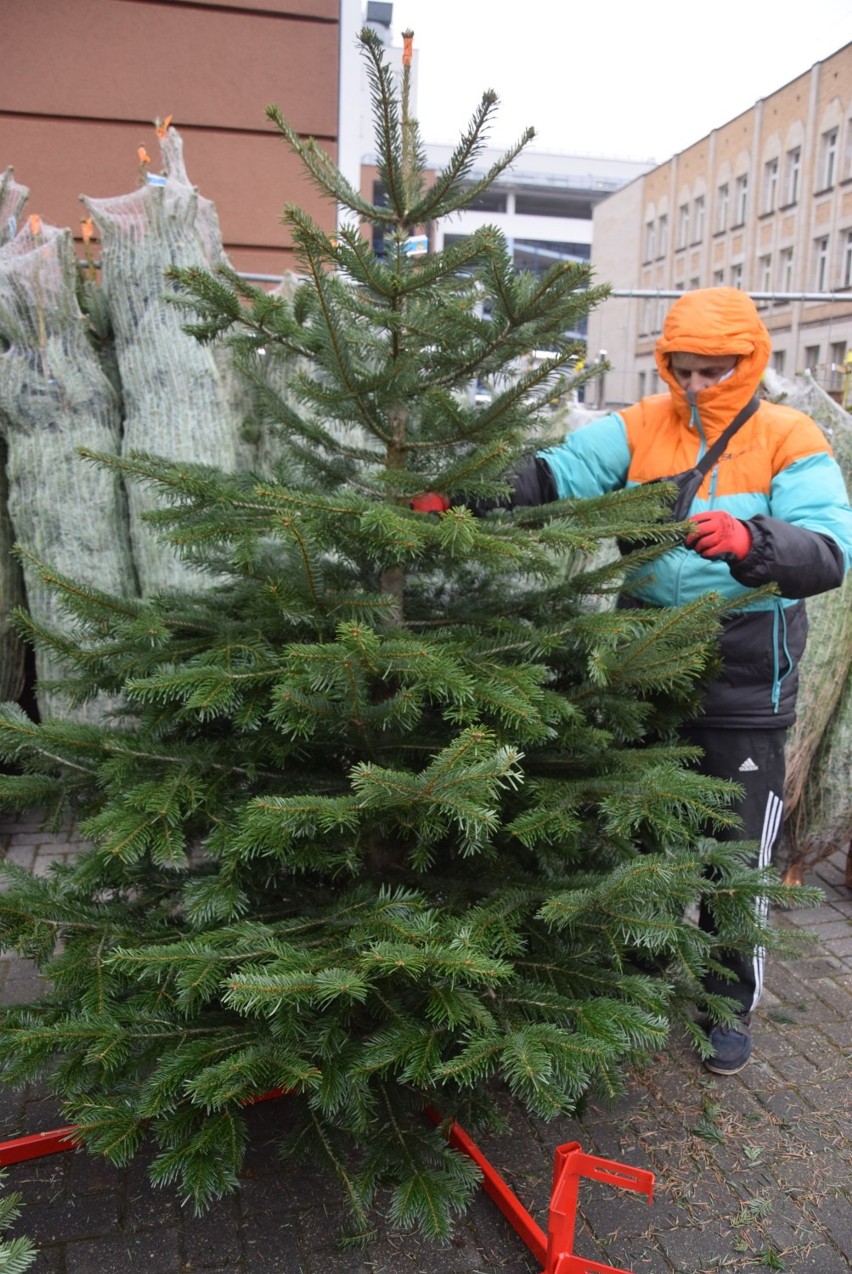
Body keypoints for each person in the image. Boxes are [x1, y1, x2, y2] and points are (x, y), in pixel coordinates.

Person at [414, 286, 852, 1075]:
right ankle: (644, 961)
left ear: (747, 361)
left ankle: (726, 1002)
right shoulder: (641, 426)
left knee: (732, 852)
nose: (695, 385)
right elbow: (555, 474)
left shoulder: (790, 435)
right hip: (646, 663)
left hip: (744, 678)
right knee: (641, 827)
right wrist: (462, 493)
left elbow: (827, 551)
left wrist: (752, 540)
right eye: (682, 369)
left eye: (713, 370)